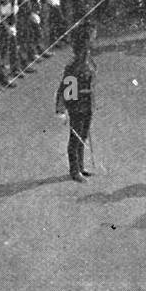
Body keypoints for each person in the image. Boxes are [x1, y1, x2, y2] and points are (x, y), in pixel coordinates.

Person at [55, 28, 95, 181]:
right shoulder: (73, 67)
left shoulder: (88, 64)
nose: (87, 53)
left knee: (83, 136)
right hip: (78, 105)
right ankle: (74, 170)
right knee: (76, 137)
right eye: (85, 51)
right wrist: (65, 108)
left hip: (88, 103)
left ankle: (81, 166)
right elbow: (67, 90)